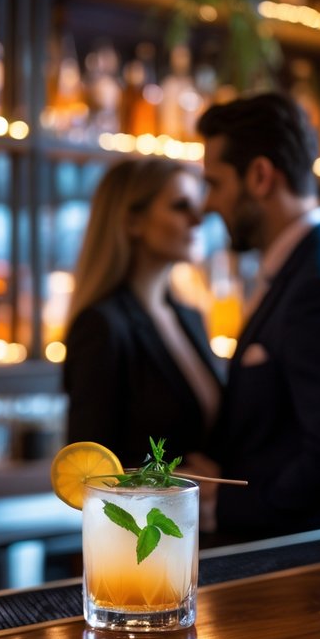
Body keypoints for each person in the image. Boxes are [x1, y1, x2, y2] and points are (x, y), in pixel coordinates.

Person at [191, 92, 320, 537]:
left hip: (316, 578)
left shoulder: (319, 288)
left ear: (260, 176)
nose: (208, 205)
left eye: (215, 183)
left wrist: (223, 505)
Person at [63, 158, 222, 469]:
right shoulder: (101, 326)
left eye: (197, 205)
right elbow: (89, 467)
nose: (198, 219)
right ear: (133, 222)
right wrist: (177, 482)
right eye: (180, 206)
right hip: (145, 517)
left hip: (209, 517)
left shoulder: (191, 316)